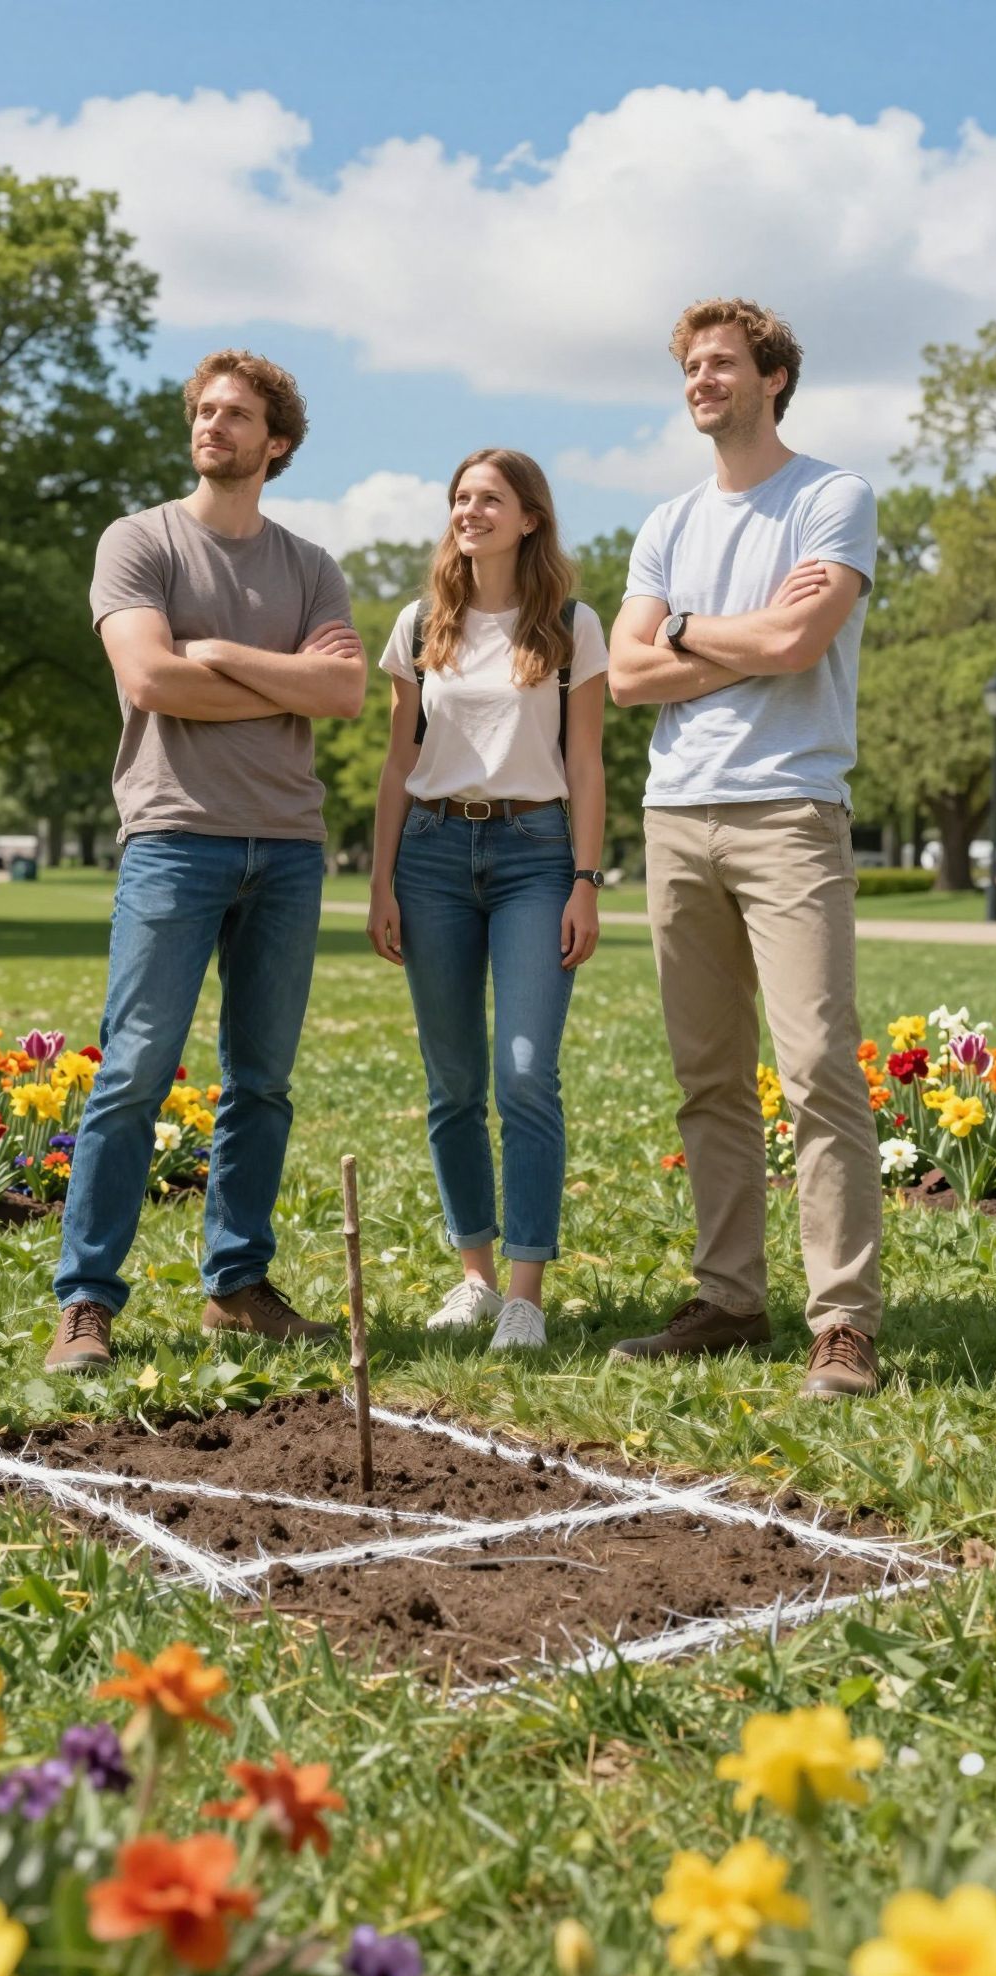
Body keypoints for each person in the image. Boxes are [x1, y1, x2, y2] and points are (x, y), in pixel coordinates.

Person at [45, 349, 366, 1373]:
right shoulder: (139, 542)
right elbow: (148, 677)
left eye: (235, 414)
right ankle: (87, 1299)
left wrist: (219, 657)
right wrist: (278, 678)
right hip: (174, 837)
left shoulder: (311, 565)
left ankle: (237, 1285)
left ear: (276, 443)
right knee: (135, 1069)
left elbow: (348, 694)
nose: (211, 424)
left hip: (288, 847)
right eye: (204, 410)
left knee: (261, 1080)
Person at [608, 298, 882, 1399]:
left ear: (775, 377)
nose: (700, 380)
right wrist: (725, 638)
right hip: (677, 815)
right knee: (707, 1076)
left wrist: (682, 631)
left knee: (817, 1066)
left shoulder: (831, 496)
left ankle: (844, 1324)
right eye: (690, 366)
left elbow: (798, 639)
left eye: (721, 363)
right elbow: (626, 674)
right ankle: (729, 1296)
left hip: (788, 810)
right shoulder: (668, 523)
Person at [367, 449, 607, 1351]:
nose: (471, 511)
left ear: (530, 517)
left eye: (490, 499)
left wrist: (587, 880)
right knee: (455, 1081)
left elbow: (586, 763)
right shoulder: (421, 623)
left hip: (536, 855)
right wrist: (382, 879)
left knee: (523, 1074)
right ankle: (471, 1275)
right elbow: (398, 763)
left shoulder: (574, 624)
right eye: (461, 498)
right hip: (429, 855)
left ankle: (525, 1295)